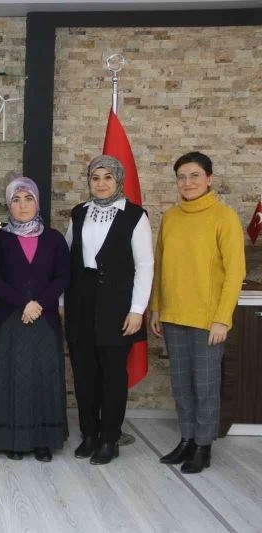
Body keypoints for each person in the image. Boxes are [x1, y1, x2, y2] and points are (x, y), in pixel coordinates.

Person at [150, 151, 245, 474]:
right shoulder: (170, 218)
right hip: (173, 316)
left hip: (207, 320)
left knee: (205, 387)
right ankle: (187, 439)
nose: (187, 183)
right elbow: (161, 266)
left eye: (194, 176)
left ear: (209, 179)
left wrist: (222, 318)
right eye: (181, 177)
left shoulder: (224, 217)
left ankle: (203, 446)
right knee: (181, 386)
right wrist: (156, 308)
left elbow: (235, 272)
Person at [63, 155, 154, 465]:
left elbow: (145, 265)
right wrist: (62, 302)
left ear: (118, 181)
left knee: (113, 375)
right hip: (80, 301)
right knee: (83, 372)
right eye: (95, 178)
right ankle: (89, 434)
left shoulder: (135, 216)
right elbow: (68, 260)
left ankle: (109, 438)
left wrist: (137, 309)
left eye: (107, 178)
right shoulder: (79, 212)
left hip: (117, 306)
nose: (101, 184)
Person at [0, 177, 70, 461]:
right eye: (16, 200)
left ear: (37, 203)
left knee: (43, 378)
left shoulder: (54, 239)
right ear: (8, 205)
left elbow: (63, 277)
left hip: (44, 320)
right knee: (12, 378)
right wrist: (23, 304)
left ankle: (43, 440)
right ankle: (13, 440)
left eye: (28, 199)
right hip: (9, 319)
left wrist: (38, 304)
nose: (22, 206)